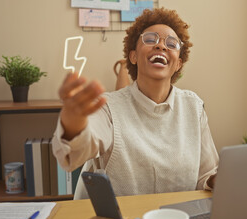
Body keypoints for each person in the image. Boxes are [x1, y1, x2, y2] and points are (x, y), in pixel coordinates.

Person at [52, 7, 218, 199]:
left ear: (178, 64)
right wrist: (74, 123)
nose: (161, 46)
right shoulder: (108, 106)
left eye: (171, 43)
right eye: (150, 39)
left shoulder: (193, 107)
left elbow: (206, 175)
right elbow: (74, 155)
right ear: (133, 56)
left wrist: (215, 180)